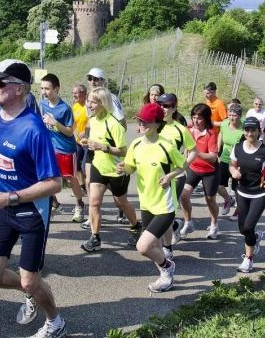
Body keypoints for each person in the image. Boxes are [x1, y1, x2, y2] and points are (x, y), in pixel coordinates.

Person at [0, 59, 67, 338]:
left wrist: (9, 197)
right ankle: (29, 291)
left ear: (19, 89)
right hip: (3, 206)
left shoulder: (34, 128)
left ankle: (54, 321)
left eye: (0, 82)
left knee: (31, 280)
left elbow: (55, 183)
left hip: (31, 213)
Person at [117, 103, 186, 292]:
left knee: (143, 246)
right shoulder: (136, 145)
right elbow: (131, 167)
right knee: (153, 245)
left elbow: (182, 165)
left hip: (164, 205)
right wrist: (124, 167)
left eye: (147, 121)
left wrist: (170, 176)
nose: (142, 123)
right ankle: (165, 275)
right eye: (140, 120)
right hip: (146, 204)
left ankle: (167, 268)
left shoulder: (167, 146)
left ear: (157, 123)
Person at [81, 87, 141, 252]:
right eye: (89, 101)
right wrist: (86, 141)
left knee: (120, 202)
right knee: (94, 202)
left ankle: (136, 226)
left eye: (93, 101)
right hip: (98, 167)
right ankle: (95, 237)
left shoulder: (114, 124)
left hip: (117, 170)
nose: (89, 105)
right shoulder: (92, 120)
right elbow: (94, 141)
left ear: (103, 103)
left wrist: (103, 146)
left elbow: (123, 151)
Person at [229, 117, 265, 273]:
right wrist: (233, 172)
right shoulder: (237, 148)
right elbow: (232, 164)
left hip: (259, 193)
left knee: (248, 226)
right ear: (244, 131)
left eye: (253, 130)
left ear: (259, 131)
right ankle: (255, 237)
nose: (250, 133)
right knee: (243, 228)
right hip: (242, 191)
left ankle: (248, 260)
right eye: (247, 130)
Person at [40, 73, 86, 223]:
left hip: (66, 149)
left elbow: (69, 131)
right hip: (49, 148)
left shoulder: (64, 108)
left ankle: (79, 204)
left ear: (57, 89)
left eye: (47, 89)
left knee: (70, 179)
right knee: (46, 177)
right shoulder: (43, 104)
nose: (44, 92)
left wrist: (55, 123)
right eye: (42, 88)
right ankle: (54, 203)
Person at [156, 93, 197, 249]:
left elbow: (193, 150)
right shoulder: (153, 125)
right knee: (158, 210)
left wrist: (184, 165)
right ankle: (175, 226)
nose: (162, 108)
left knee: (168, 210)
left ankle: (167, 248)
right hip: (156, 175)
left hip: (176, 176)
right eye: (160, 105)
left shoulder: (180, 129)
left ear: (174, 108)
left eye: (166, 106)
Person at [178, 104, 219, 240]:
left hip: (210, 170)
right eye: (194, 117)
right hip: (193, 168)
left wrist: (196, 153)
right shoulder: (188, 130)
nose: (195, 121)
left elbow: (213, 157)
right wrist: (185, 160)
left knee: (210, 199)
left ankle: (214, 225)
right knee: (184, 195)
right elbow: (186, 147)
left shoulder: (211, 133)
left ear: (206, 119)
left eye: (199, 118)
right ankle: (188, 222)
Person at [216, 104, 243, 220]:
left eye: (234, 115)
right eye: (230, 114)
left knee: (237, 188)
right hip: (225, 158)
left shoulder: (244, 128)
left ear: (240, 116)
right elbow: (220, 134)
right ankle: (228, 199)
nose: (231, 118)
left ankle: (238, 210)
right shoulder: (224, 124)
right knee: (218, 185)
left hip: (238, 161)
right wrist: (218, 150)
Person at [71, 84, 88, 197]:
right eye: (73, 93)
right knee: (75, 164)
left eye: (77, 92)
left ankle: (97, 185)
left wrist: (86, 133)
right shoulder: (74, 106)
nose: (74, 95)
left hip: (89, 140)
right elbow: (73, 124)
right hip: (78, 141)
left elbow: (94, 121)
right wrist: (77, 135)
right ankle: (82, 188)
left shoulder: (89, 105)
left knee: (85, 166)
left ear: (83, 93)